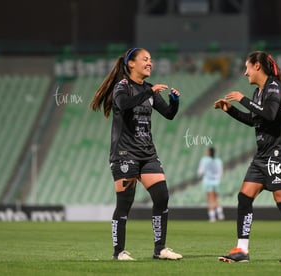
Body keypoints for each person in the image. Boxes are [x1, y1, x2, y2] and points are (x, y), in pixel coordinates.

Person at [214, 51, 281, 263]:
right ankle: (242, 250)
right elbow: (255, 120)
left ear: (257, 66)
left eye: (247, 67)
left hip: (280, 154)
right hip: (263, 155)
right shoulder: (260, 92)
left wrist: (242, 99)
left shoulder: (274, 87)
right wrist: (230, 110)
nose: (245, 72)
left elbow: (268, 114)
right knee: (244, 197)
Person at [90, 47, 183, 261]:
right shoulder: (122, 87)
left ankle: (160, 249)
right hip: (125, 153)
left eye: (151, 60)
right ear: (131, 64)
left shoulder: (149, 89)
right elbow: (122, 104)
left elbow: (168, 114)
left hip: (147, 154)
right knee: (125, 203)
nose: (150, 63)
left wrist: (174, 103)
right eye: (145, 59)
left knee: (162, 197)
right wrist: (149, 92)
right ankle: (118, 252)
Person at [197, 147, 225, 222]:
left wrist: (200, 176)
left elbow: (200, 171)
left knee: (210, 199)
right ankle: (220, 213)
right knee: (216, 198)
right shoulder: (218, 161)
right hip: (216, 181)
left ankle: (212, 217)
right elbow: (221, 172)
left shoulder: (204, 160)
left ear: (209, 152)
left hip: (207, 181)